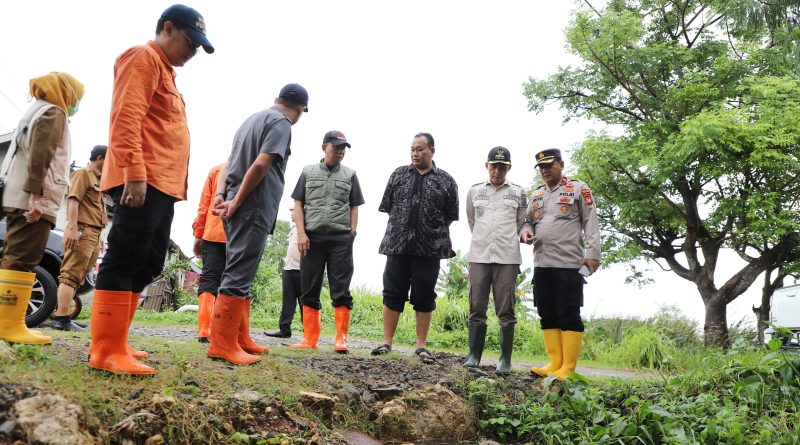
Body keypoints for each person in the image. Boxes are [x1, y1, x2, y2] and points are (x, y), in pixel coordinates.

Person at [89, 4, 214, 375]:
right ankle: (105, 350)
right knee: (125, 256)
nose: (192, 52)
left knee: (147, 261)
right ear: (168, 28)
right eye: (190, 42)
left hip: (163, 185)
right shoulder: (142, 58)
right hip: (142, 180)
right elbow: (126, 115)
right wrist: (134, 172)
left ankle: (118, 341)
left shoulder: (166, 71)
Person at [210, 83, 309, 365]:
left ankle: (239, 339)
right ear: (301, 108)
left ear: (277, 98)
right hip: (251, 205)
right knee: (238, 272)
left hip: (234, 201)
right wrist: (238, 201)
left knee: (240, 269)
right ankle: (222, 344)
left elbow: (228, 165)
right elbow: (261, 165)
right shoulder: (281, 123)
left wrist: (222, 195)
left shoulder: (250, 120)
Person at [0, 72, 84, 346]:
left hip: (18, 196)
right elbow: (41, 155)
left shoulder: (35, 110)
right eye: (76, 97)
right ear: (65, 92)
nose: (75, 103)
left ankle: (13, 322)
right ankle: (7, 325)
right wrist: (35, 197)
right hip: (33, 199)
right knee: (22, 259)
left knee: (17, 256)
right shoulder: (54, 113)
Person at [371, 133, 458, 364]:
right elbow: (390, 208)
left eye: (420, 149)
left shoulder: (447, 181)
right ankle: (386, 342)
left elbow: (449, 217)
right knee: (392, 292)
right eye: (412, 149)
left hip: (430, 249)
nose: (415, 153)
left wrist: (426, 230)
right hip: (397, 245)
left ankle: (421, 345)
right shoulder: (398, 175)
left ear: (432, 151)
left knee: (424, 295)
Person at [520, 148, 601, 380]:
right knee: (547, 313)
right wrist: (525, 233)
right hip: (542, 264)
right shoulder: (536, 195)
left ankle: (568, 367)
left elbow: (590, 223)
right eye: (541, 167)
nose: (545, 171)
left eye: (549, 165)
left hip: (569, 264)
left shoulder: (578, 189)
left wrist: (592, 255)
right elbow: (527, 222)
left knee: (569, 313)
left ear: (561, 164)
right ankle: (554, 362)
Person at [290, 131, 364, 353]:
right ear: (324, 147)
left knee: (341, 288)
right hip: (312, 238)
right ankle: (309, 338)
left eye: (343, 148)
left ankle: (341, 339)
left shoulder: (350, 175)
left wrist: (352, 232)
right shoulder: (308, 172)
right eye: (336, 147)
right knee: (309, 287)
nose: (340, 152)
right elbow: (299, 204)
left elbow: (354, 205)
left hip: (340, 239)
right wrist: (301, 234)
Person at [463, 147, 527, 374]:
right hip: (479, 255)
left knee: (506, 309)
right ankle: (473, 356)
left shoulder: (519, 192)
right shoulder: (474, 191)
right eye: (493, 165)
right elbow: (472, 222)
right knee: (476, 307)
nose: (497, 170)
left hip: (507, 257)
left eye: (502, 166)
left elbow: (521, 222)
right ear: (486, 166)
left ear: (509, 168)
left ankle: (505, 360)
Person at [52, 145, 109, 331]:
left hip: (93, 233)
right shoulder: (83, 174)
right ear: (100, 158)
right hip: (82, 230)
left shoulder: (99, 180)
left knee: (79, 277)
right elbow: (73, 200)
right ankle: (61, 318)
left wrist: (99, 236)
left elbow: (95, 210)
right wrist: (74, 228)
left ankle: (63, 315)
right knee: (70, 274)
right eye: (109, 160)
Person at [192, 163, 226, 343]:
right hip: (241, 236)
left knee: (210, 279)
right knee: (237, 281)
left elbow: (204, 205)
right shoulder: (255, 168)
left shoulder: (216, 170)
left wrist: (198, 234)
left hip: (213, 232)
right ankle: (228, 331)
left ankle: (204, 329)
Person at [264, 206, 302, 338]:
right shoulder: (293, 230)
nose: (291, 213)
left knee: (305, 302)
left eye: (293, 210)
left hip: (301, 270)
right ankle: (284, 329)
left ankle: (310, 332)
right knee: (288, 301)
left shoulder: (307, 229)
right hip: (288, 269)